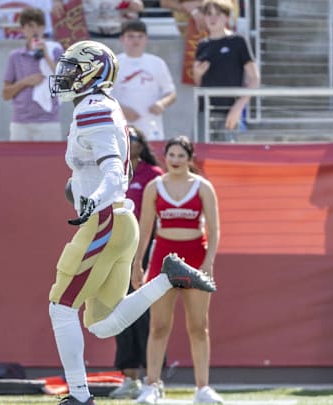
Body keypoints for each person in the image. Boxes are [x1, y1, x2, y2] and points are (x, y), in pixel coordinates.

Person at [47, 40, 216, 405]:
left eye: (73, 69)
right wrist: (80, 188)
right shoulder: (101, 106)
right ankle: (168, 279)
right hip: (119, 220)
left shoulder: (92, 108)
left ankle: (79, 397)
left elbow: (110, 170)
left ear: (94, 72)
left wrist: (91, 198)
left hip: (104, 220)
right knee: (102, 324)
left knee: (60, 307)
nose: (65, 77)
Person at [132, 135, 222, 404]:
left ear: (190, 158)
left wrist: (208, 263)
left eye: (181, 155)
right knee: (158, 326)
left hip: (195, 257)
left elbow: (215, 230)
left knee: (199, 326)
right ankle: (152, 385)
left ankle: (202, 388)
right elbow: (145, 229)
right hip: (163, 259)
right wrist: (138, 263)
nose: (175, 160)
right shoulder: (154, 187)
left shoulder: (203, 187)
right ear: (165, 157)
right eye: (171, 155)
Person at [108, 125, 165, 400]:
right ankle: (128, 377)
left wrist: (142, 257)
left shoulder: (153, 175)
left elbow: (158, 219)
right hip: (115, 249)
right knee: (118, 311)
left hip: (143, 251)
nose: (128, 143)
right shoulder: (110, 173)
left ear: (141, 144)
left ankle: (151, 378)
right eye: (124, 139)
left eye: (132, 139)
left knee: (144, 313)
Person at [193, 0, 259, 142]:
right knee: (202, 159)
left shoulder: (238, 41)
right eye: (208, 14)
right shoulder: (202, 45)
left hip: (229, 112)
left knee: (227, 159)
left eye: (218, 14)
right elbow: (199, 82)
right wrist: (197, 74)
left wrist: (238, 107)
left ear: (227, 17)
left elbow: (255, 79)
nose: (212, 18)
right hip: (205, 112)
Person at [2, 7, 64, 141]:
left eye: (39, 26)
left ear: (44, 28)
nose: (35, 30)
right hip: (21, 123)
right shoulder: (15, 56)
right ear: (23, 29)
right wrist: (25, 82)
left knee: (49, 162)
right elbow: (5, 94)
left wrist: (46, 55)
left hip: (48, 121)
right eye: (30, 26)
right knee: (18, 161)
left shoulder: (55, 50)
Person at [111, 20, 176, 141]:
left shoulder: (157, 63)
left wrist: (162, 103)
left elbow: (171, 93)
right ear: (122, 39)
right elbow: (103, 96)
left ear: (146, 39)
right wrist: (122, 110)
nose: (136, 40)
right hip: (121, 128)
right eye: (131, 36)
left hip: (151, 128)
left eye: (140, 36)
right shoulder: (113, 64)